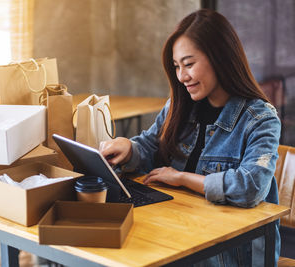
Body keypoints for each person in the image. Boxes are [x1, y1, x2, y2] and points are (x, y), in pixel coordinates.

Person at [99, 9, 281, 267]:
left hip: (231, 253)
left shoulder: (260, 118)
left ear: (219, 58)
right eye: (176, 66)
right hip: (182, 233)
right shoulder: (181, 104)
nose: (182, 76)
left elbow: (251, 186)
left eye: (189, 64)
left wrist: (182, 177)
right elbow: (152, 145)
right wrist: (129, 148)